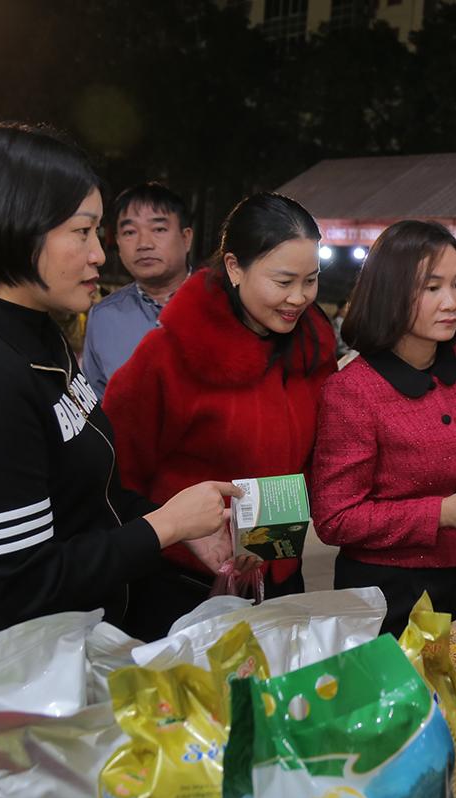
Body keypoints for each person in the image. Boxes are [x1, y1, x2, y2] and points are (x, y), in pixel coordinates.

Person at [0, 122, 242, 663]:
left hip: (70, 644)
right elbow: (22, 581)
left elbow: (89, 487)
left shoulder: (37, 333)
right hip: (8, 674)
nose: (100, 255)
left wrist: (172, 523)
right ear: (13, 227)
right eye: (82, 232)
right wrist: (164, 526)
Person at [104, 192, 336, 637]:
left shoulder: (313, 349)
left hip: (280, 579)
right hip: (182, 588)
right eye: (283, 281)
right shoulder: (169, 356)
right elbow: (116, 474)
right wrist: (178, 527)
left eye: (311, 280)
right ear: (234, 268)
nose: (299, 298)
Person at [311, 220, 456, 638]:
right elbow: (336, 518)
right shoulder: (353, 389)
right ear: (390, 290)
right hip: (388, 595)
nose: (452, 301)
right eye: (431, 287)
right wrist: (441, 513)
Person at [81, 182, 193, 399]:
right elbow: (96, 406)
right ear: (119, 244)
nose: (144, 244)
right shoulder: (103, 317)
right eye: (130, 231)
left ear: (186, 238)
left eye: (159, 229)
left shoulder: (226, 303)